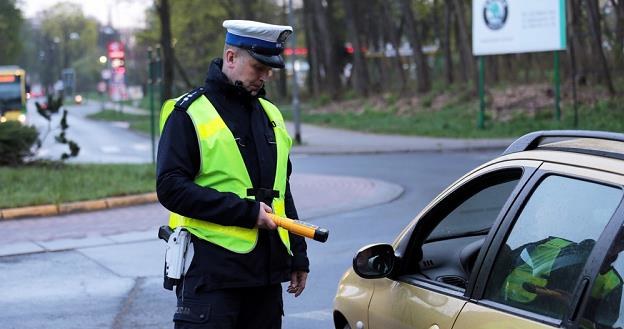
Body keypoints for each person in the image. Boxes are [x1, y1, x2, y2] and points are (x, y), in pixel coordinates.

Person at [156, 19, 309, 329]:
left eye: (270, 70)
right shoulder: (188, 113)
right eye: (258, 67)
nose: (265, 76)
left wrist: (297, 255)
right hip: (211, 280)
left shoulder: (271, 115)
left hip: (265, 282)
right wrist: (246, 213)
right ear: (230, 57)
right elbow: (171, 188)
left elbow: (282, 191)